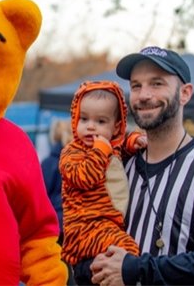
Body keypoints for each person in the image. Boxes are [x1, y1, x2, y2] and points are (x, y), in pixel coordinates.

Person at [84, 46, 194, 285]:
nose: (144, 95)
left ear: (185, 93)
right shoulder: (118, 167)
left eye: (157, 83)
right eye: (136, 85)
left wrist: (135, 269)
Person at [59, 81, 146, 283]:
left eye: (100, 122)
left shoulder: (109, 148)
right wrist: (100, 150)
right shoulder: (71, 152)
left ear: (115, 127)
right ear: (75, 119)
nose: (90, 126)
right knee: (128, 251)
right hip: (84, 230)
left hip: (104, 228)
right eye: (84, 119)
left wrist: (134, 141)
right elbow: (83, 177)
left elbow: (121, 148)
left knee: (124, 253)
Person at [41, 119, 72, 245]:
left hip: (56, 222)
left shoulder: (48, 163)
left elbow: (42, 196)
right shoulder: (78, 159)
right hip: (76, 222)